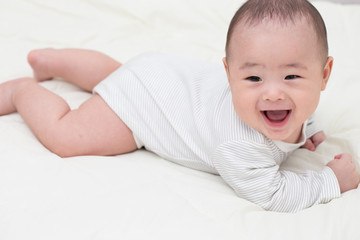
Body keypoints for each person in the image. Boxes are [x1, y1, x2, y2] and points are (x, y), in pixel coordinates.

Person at [0, 0, 358, 212]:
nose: (274, 95)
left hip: (156, 73)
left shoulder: (298, 108)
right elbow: (273, 193)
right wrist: (330, 181)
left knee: (117, 75)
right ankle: (21, 92)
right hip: (145, 108)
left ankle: (51, 61)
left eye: (292, 78)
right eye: (253, 79)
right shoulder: (240, 146)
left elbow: (300, 112)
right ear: (229, 73)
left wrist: (305, 132)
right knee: (69, 136)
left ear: (324, 75)